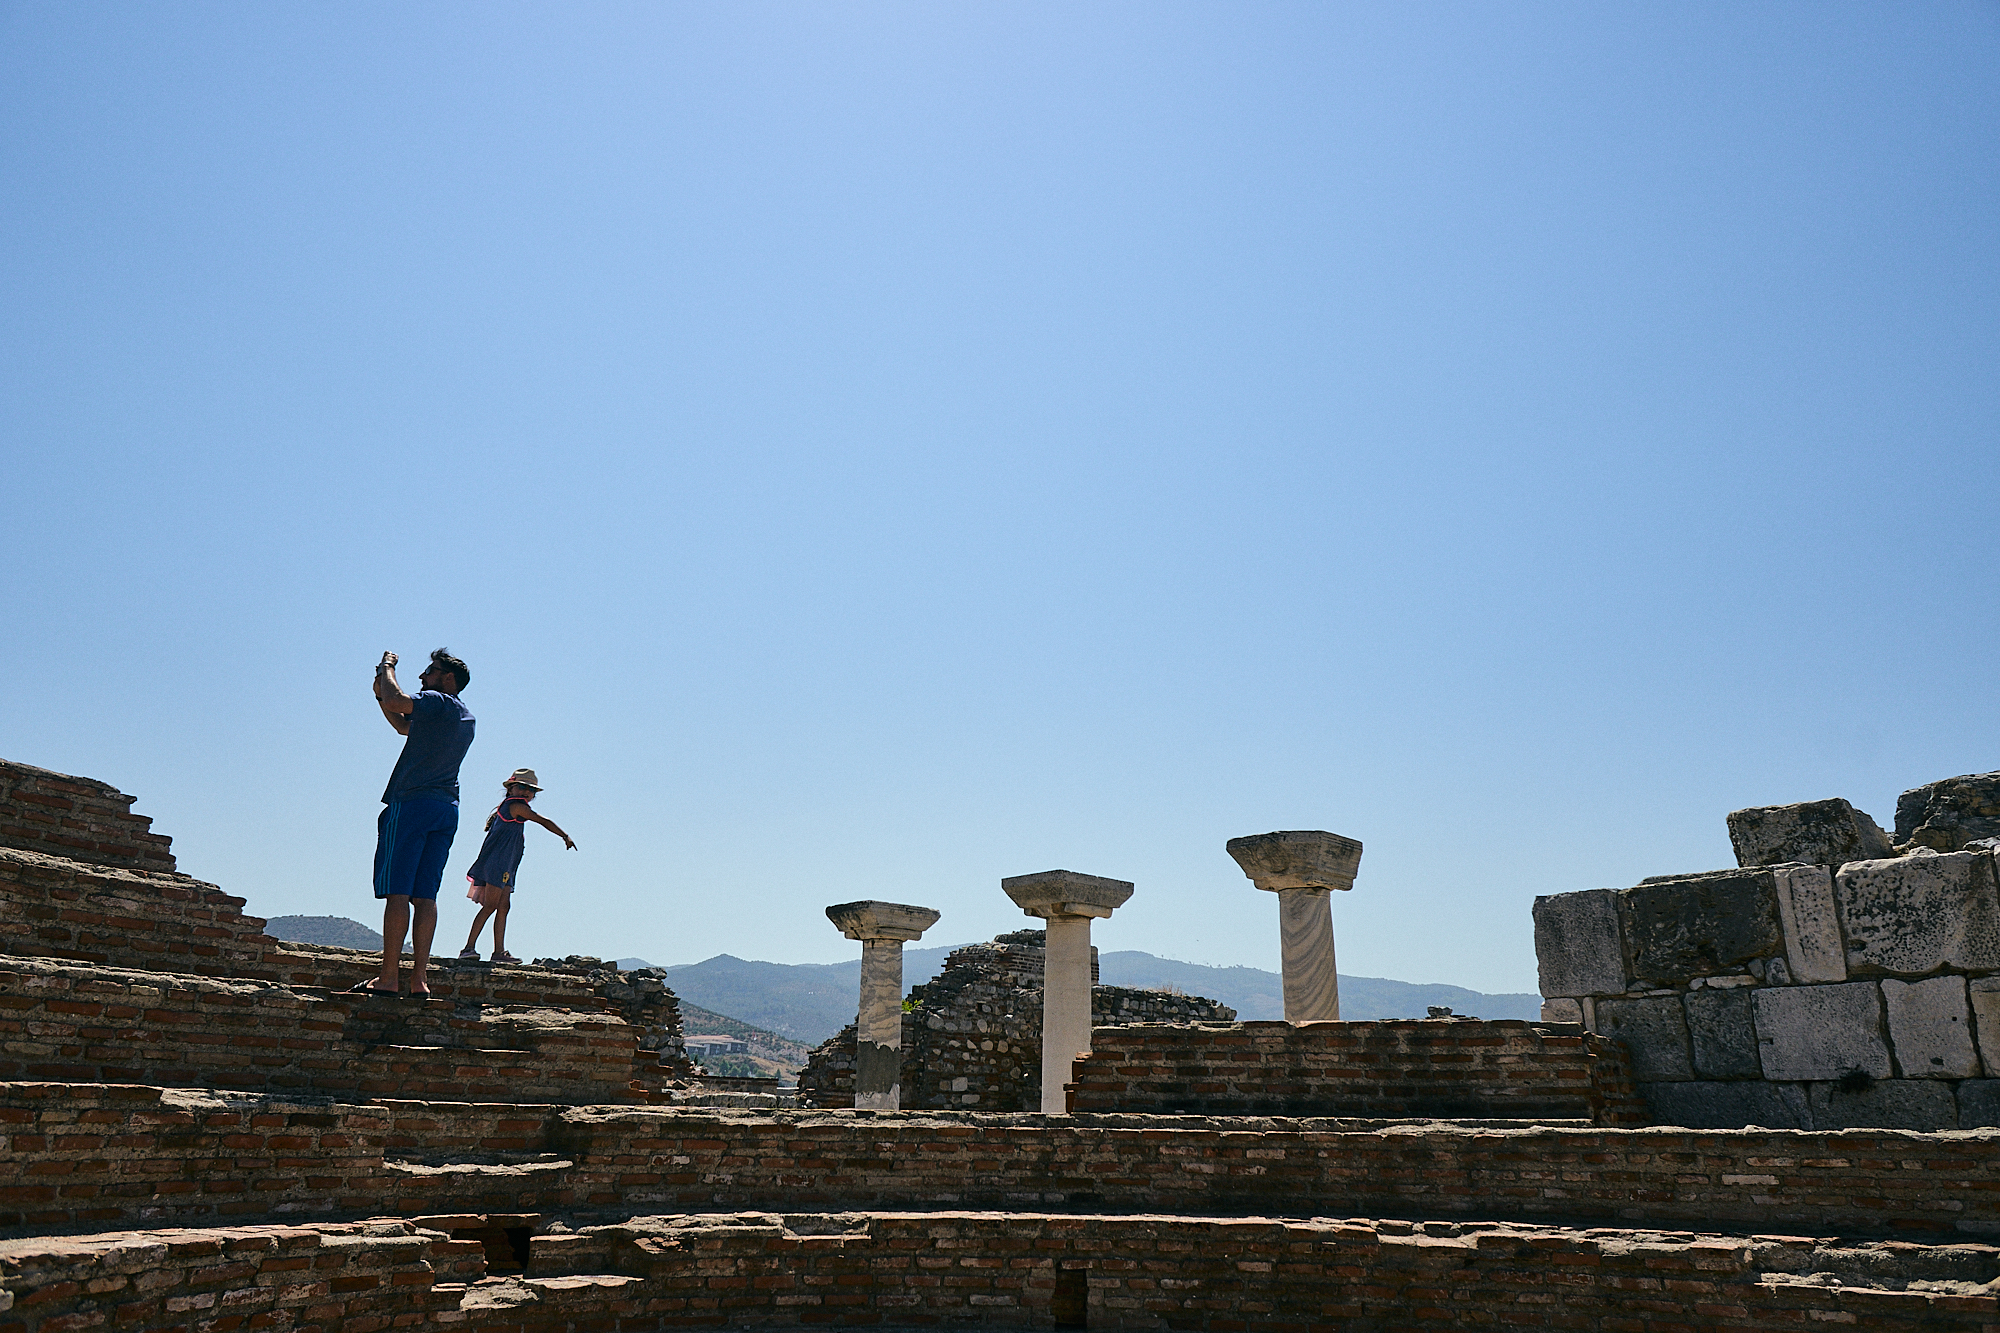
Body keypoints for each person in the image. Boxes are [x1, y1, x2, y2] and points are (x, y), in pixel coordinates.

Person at [358, 648, 475, 998]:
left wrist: (387, 669)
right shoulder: (463, 716)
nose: (423, 677)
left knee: (398, 892)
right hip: (445, 809)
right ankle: (419, 980)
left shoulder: (438, 701)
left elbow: (398, 702)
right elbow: (401, 724)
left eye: (430, 671)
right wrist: (382, 694)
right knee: (425, 896)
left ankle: (389, 977)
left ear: (448, 679)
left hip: (412, 803)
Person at [459, 767, 576, 964]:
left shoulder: (512, 806)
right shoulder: (516, 806)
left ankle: (499, 952)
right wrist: (564, 835)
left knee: (503, 906)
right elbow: (543, 821)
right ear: (512, 788)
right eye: (522, 787)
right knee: (491, 906)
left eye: (530, 790)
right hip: (499, 863)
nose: (526, 792)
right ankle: (468, 948)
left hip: (506, 864)